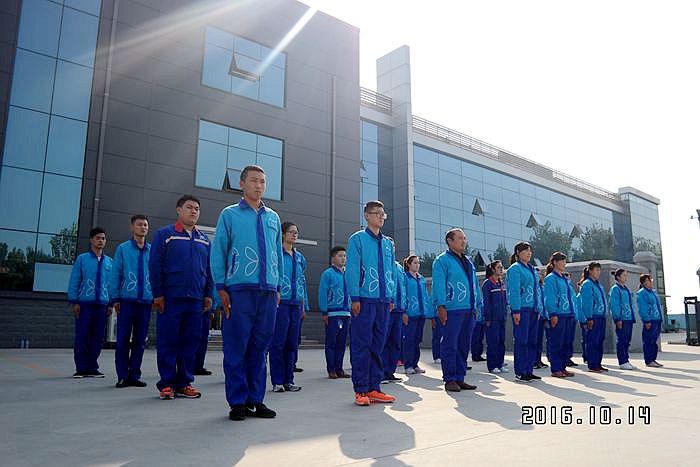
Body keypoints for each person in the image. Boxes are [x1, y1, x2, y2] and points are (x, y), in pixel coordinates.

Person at [211, 165, 282, 421]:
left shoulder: (273, 217)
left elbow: (277, 255)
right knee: (236, 347)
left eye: (262, 181)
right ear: (242, 184)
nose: (259, 185)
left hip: (268, 291)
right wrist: (220, 287)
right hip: (239, 291)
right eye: (253, 181)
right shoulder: (229, 214)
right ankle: (238, 402)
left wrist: (278, 286)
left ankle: (256, 399)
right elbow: (219, 251)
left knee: (260, 347)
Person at [149, 195, 213, 400]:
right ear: (179, 210)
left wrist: (208, 294)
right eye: (189, 207)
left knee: (190, 342)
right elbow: (155, 265)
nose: (193, 211)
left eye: (197, 208)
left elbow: (209, 270)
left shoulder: (204, 240)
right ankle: (167, 384)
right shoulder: (165, 235)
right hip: (171, 298)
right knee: (168, 341)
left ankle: (185, 383)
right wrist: (158, 294)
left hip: (195, 300)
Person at [346, 200, 397, 406]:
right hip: (364, 300)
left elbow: (391, 272)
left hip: (383, 302)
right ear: (366, 215)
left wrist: (391, 296)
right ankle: (360, 389)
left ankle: (374, 388)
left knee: (378, 345)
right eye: (377, 213)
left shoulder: (387, 243)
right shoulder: (357, 239)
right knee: (362, 345)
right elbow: (352, 269)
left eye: (383, 214)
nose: (380, 217)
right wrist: (355, 297)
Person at [432, 228, 482, 392]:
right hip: (452, 309)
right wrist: (441, 306)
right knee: (450, 344)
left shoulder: (468, 261)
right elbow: (438, 284)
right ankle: (450, 379)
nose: (463, 241)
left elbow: (474, 284)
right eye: (460, 238)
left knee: (463, 345)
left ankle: (460, 377)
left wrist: (477, 305)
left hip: (469, 309)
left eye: (464, 238)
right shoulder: (441, 261)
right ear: (450, 241)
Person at [110, 215, 152, 388]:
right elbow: (116, 273)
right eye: (139, 224)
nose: (143, 227)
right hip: (126, 301)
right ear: (132, 227)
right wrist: (115, 297)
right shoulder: (123, 249)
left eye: (145, 225)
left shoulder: (152, 250)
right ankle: (122, 375)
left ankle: (134, 375)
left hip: (146, 302)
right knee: (122, 339)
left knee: (140, 340)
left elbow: (156, 275)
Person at [68, 227, 113, 378]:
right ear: (91, 240)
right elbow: (75, 280)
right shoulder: (82, 259)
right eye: (98, 238)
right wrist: (75, 301)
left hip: (102, 305)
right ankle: (81, 368)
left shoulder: (109, 262)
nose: (101, 241)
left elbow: (111, 284)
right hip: (84, 304)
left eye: (103, 238)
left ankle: (92, 367)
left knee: (97, 337)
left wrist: (110, 303)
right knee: (82, 336)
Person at [269, 221, 306, 393]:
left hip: (296, 305)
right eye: (291, 232)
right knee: (278, 343)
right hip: (281, 303)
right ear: (283, 234)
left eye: (296, 232)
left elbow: (301, 282)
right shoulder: (276, 253)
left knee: (292, 343)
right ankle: (277, 381)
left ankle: (289, 380)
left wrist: (303, 305)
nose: (294, 234)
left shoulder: (299, 257)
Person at [505, 241, 542, 383]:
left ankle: (529, 370)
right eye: (526, 250)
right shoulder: (515, 269)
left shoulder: (532, 269)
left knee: (532, 341)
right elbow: (514, 291)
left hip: (533, 309)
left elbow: (537, 290)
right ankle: (521, 372)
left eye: (530, 251)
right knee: (522, 341)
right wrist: (516, 310)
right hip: (522, 310)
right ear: (518, 253)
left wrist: (539, 308)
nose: (529, 253)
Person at [542, 252, 577, 378]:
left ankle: (562, 367)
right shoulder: (550, 278)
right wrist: (553, 313)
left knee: (566, 342)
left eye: (564, 261)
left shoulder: (564, 278)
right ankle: (556, 368)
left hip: (568, 314)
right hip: (558, 314)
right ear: (554, 262)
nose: (564, 263)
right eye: (561, 261)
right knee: (556, 342)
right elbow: (550, 297)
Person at [319, 246, 351, 379]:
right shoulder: (328, 274)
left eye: (344, 256)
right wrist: (324, 311)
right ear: (333, 258)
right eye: (340, 255)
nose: (343, 258)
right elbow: (322, 292)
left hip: (346, 314)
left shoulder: (348, 274)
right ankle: (331, 369)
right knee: (331, 342)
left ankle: (339, 369)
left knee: (342, 343)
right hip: (333, 314)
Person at [579, 262, 609, 373]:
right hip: (593, 316)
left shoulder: (599, 285)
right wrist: (589, 317)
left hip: (601, 316)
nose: (598, 272)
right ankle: (592, 365)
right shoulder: (587, 284)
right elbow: (587, 302)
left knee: (600, 340)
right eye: (596, 270)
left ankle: (598, 363)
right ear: (590, 271)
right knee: (593, 341)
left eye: (599, 270)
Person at [403, 255, 430, 376]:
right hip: (410, 314)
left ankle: (415, 364)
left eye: (418, 263)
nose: (417, 265)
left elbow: (425, 296)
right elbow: (403, 295)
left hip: (421, 313)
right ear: (408, 264)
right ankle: (408, 365)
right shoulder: (405, 278)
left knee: (417, 340)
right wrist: (404, 311)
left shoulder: (421, 279)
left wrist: (428, 310)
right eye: (414, 263)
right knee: (409, 340)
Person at [482, 260, 508, 374]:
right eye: (499, 267)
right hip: (492, 319)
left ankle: (500, 364)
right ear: (493, 269)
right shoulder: (488, 283)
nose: (501, 269)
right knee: (493, 342)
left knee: (501, 342)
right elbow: (486, 302)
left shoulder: (501, 283)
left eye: (502, 267)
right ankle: (492, 366)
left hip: (502, 317)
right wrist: (487, 318)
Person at [609, 269, 638, 370]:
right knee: (622, 340)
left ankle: (626, 360)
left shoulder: (626, 289)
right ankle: (622, 362)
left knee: (627, 341)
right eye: (624, 275)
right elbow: (614, 305)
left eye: (626, 275)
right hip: (622, 319)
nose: (626, 277)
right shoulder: (615, 289)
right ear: (618, 277)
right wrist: (617, 319)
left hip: (628, 318)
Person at [383, 260, 406, 382]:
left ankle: (390, 372)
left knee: (395, 342)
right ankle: (380, 373)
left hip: (399, 310)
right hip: (388, 308)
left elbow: (404, 287)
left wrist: (405, 307)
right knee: (384, 341)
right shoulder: (385, 263)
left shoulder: (400, 267)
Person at [637, 274, 664, 368]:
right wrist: (646, 320)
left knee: (654, 341)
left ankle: (653, 359)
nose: (651, 281)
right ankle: (649, 360)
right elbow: (642, 308)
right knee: (648, 341)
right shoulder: (642, 293)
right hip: (650, 320)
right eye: (649, 280)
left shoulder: (653, 292)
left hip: (657, 320)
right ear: (644, 283)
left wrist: (660, 318)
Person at [565, 271, 582, 367]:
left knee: (570, 339)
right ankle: (564, 358)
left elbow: (574, 303)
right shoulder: (564, 287)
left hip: (572, 315)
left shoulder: (570, 288)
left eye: (569, 276)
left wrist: (576, 316)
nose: (568, 277)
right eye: (566, 275)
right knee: (565, 339)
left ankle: (568, 357)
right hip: (565, 315)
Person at [533, 268, 549, 369]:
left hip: (543, 316)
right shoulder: (534, 287)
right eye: (537, 274)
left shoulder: (542, 287)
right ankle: (534, 361)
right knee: (534, 340)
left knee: (539, 340)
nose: (539, 276)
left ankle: (538, 360)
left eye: (540, 274)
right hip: (536, 315)